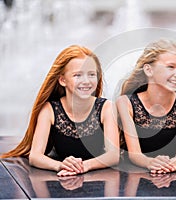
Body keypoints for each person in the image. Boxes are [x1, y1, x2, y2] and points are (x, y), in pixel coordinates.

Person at [1, 45, 119, 176]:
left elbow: (113, 155)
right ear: (63, 80)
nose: (86, 81)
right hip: (62, 177)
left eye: (91, 74)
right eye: (77, 75)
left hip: (97, 179)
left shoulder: (107, 108)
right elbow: (35, 156)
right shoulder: (49, 110)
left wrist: (83, 166)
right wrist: (61, 165)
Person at [117, 39, 176, 174]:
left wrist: (173, 164)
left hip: (174, 174)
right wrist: (151, 162)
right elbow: (135, 154)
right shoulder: (126, 103)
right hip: (138, 177)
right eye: (170, 67)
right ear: (148, 70)